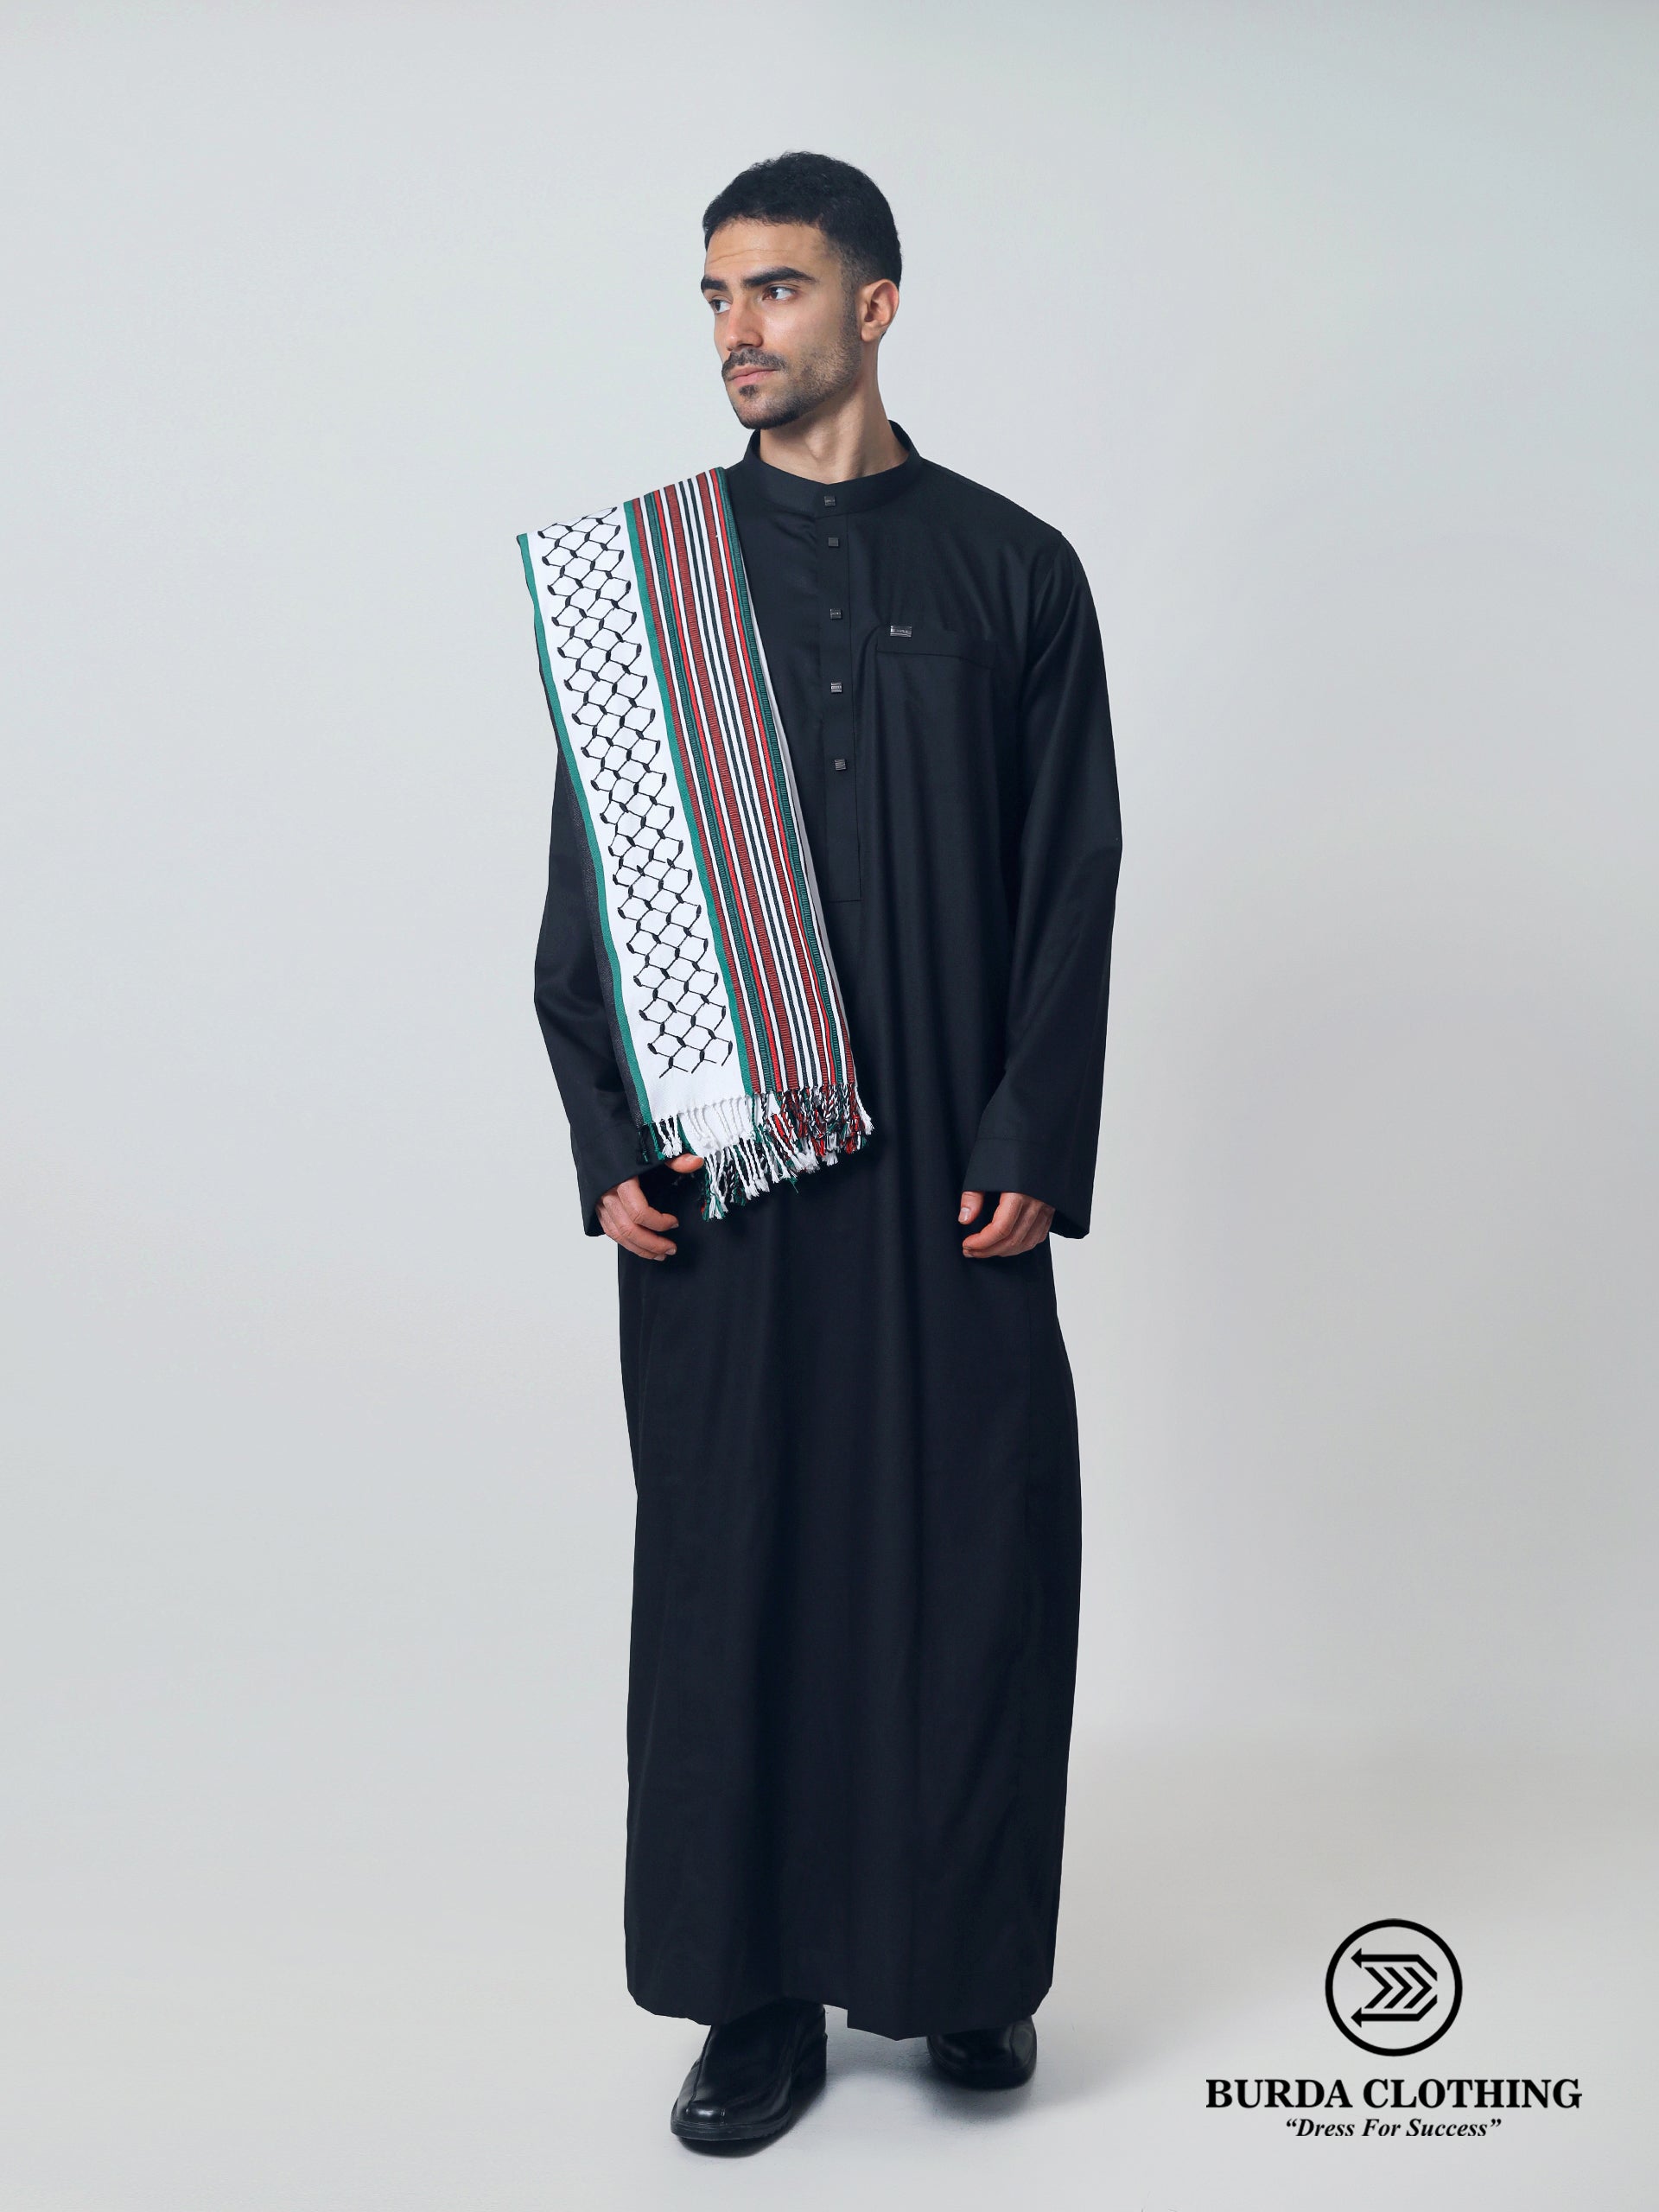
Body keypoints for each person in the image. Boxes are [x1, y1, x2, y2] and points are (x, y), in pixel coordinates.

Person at [527, 150, 1122, 2149]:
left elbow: (1073, 871)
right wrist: (608, 1133)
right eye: (713, 296)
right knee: (737, 1565)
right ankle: (754, 1993)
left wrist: (1034, 1124)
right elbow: (585, 892)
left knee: (976, 1560)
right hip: (730, 1186)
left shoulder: (1016, 570)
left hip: (956, 1170)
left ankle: (961, 1962)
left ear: (875, 305)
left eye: (772, 289)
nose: (736, 331)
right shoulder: (652, 592)